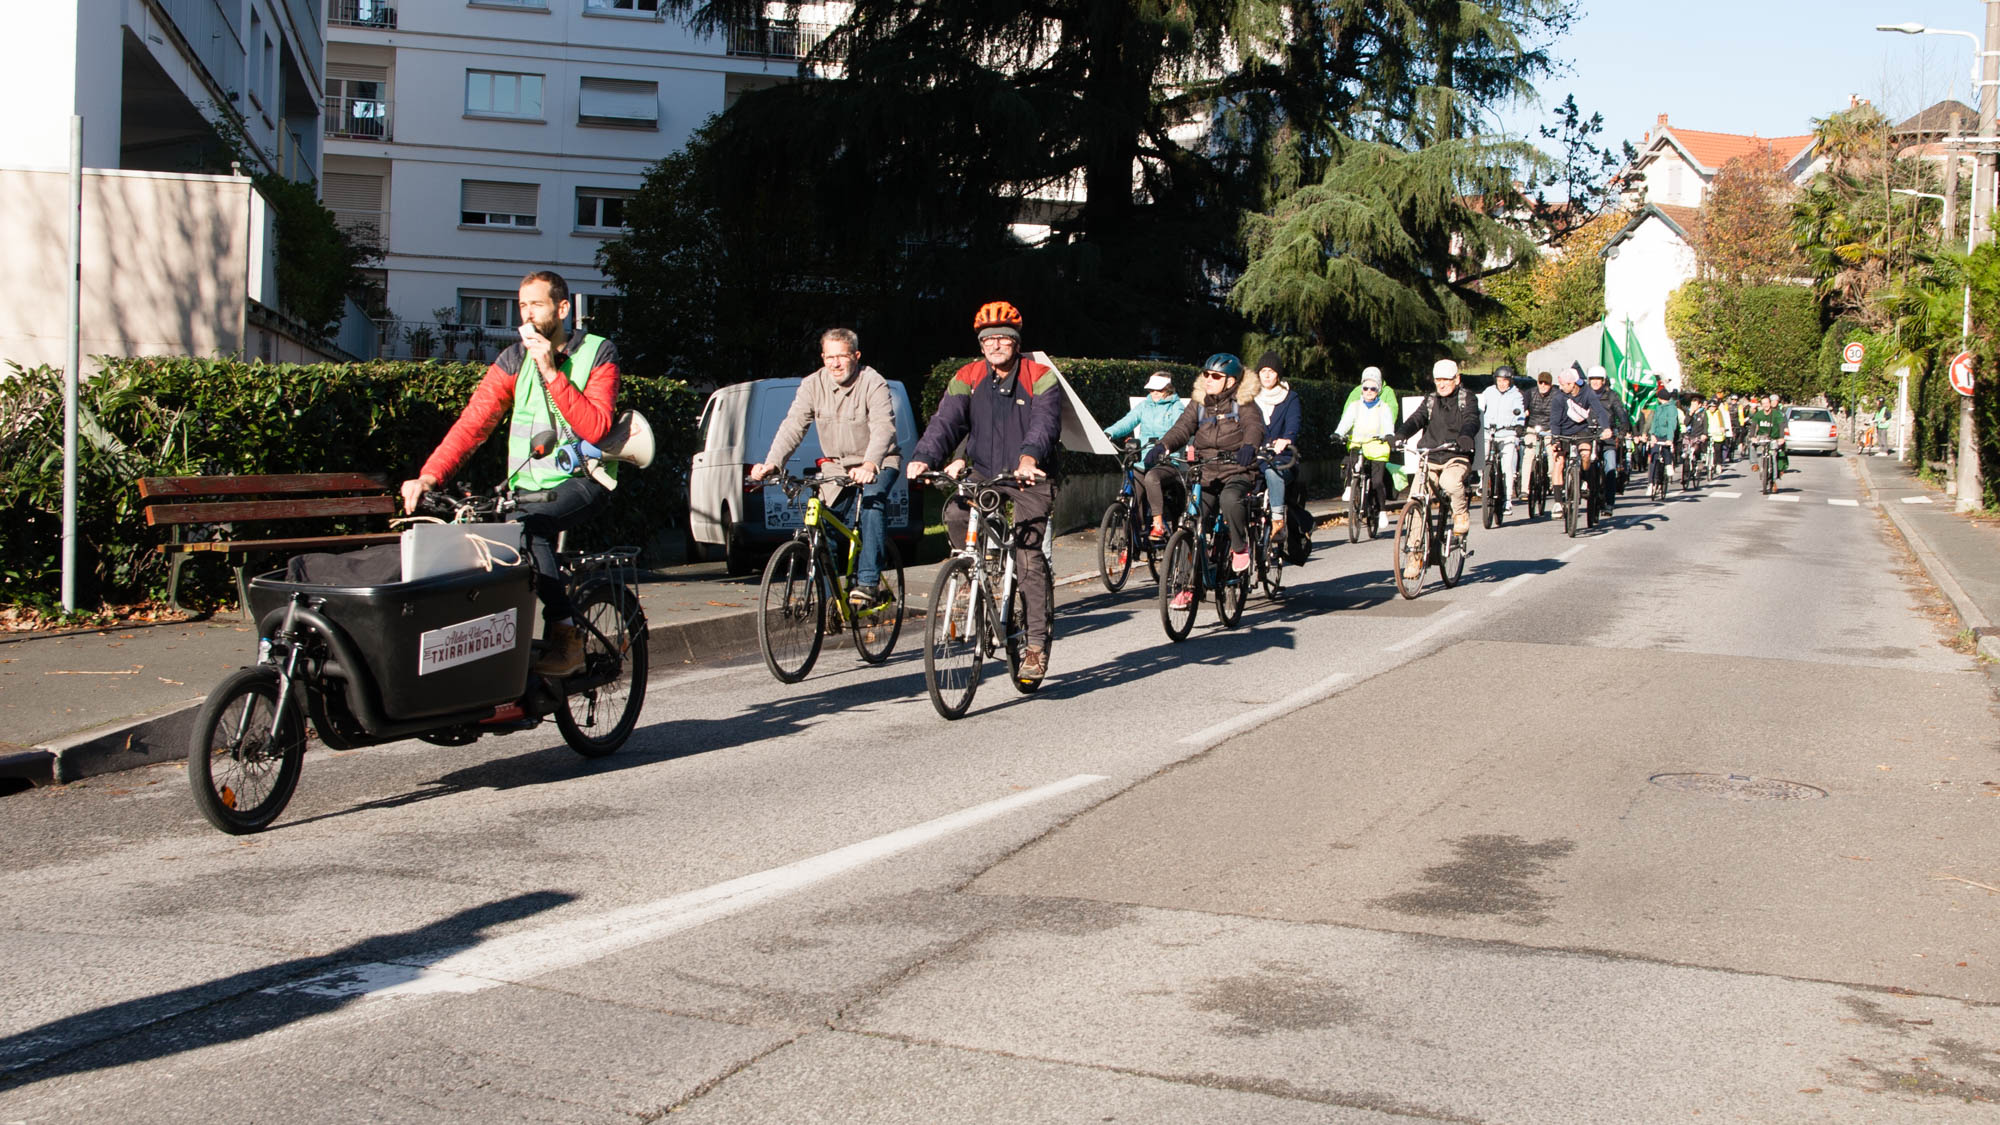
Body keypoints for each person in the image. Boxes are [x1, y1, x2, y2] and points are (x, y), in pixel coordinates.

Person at [401, 270, 618, 676]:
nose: (527, 314)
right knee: (484, 542)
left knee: (528, 530)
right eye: (522, 306)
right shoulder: (513, 360)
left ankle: (566, 635)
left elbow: (596, 428)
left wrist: (550, 370)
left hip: (584, 481)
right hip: (525, 488)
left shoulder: (597, 352)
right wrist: (429, 476)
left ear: (563, 309)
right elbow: (473, 424)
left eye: (537, 305)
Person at [906, 301, 1061, 682]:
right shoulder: (968, 375)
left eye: (1003, 339)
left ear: (1016, 342)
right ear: (980, 344)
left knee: (1028, 559)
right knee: (956, 513)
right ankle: (975, 571)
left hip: (1029, 476)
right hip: (985, 472)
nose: (995, 345)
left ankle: (1035, 647)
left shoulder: (1040, 376)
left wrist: (1029, 457)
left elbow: (1044, 424)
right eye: (988, 340)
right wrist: (924, 457)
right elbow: (946, 422)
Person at [749, 328, 902, 611]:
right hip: (836, 467)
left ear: (856, 356)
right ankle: (832, 600)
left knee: (872, 504)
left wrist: (870, 464)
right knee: (821, 523)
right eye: (829, 357)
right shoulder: (812, 384)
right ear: (822, 358)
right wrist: (773, 462)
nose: (835, 363)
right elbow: (793, 425)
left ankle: (868, 582)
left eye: (841, 356)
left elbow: (884, 427)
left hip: (878, 461)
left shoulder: (873, 382)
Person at [1148, 353, 1264, 605]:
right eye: (1206, 374)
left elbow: (1254, 426)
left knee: (1231, 500)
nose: (1208, 379)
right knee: (1190, 523)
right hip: (1206, 471)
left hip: (1236, 470)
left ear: (1230, 381)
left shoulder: (1244, 402)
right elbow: (1182, 428)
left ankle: (1239, 547)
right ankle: (1187, 586)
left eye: (1215, 376)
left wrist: (1249, 447)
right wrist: (1163, 446)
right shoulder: (1199, 402)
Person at [1393, 359, 1479, 575]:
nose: (1441, 384)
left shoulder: (1467, 398)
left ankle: (1460, 515)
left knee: (1449, 482)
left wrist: (1466, 435)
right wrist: (1401, 434)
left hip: (1455, 455)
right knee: (1414, 501)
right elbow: (1416, 419)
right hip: (1430, 456)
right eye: (1438, 380)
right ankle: (1415, 556)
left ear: (1457, 379)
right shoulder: (1430, 400)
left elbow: (1471, 419)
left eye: (1446, 380)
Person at [1103, 371, 1188, 540]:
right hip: (1142, 460)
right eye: (1151, 389)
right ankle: (1130, 542)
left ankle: (1158, 524)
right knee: (1133, 495)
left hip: (1166, 461)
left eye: (1159, 389)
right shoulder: (1145, 405)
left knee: (1151, 478)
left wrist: (1165, 448)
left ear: (1168, 389)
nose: (1154, 393)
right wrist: (1109, 433)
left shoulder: (1176, 407)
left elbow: (1179, 432)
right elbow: (1127, 421)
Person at [1335, 368, 1399, 533]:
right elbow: (1346, 421)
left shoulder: (1384, 407)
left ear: (1378, 390)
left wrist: (1389, 435)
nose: (1369, 391)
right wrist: (1338, 433)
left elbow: (1388, 424)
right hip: (1359, 443)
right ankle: (1350, 487)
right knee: (1352, 462)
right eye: (1365, 388)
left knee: (1377, 482)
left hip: (1377, 446)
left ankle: (1382, 511)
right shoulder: (1355, 406)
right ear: (1361, 389)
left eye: (1373, 388)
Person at [1545, 365, 1612, 509]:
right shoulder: (1559, 397)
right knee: (1559, 461)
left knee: (1586, 454)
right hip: (1563, 432)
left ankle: (1584, 478)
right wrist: (1555, 439)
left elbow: (1600, 411)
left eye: (1564, 385)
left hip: (1582, 431)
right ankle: (1558, 502)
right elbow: (1554, 421)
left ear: (1572, 384)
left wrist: (1606, 428)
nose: (1561, 387)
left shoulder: (1587, 393)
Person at [1251, 350, 1301, 538]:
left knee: (1274, 472)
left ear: (1278, 375)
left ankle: (1278, 520)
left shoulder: (1290, 398)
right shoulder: (1250, 398)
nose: (1266, 375)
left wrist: (1286, 439)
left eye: (1271, 371)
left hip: (1282, 456)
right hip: (1256, 455)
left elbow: (1294, 423)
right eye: (1263, 371)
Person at [1476, 365, 1527, 510]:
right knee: (1482, 456)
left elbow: (1520, 411)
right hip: (1489, 431)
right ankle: (1482, 481)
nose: (1502, 383)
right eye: (1499, 380)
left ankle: (1508, 500)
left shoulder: (1516, 394)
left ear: (1510, 380)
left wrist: (1519, 425)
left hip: (1507, 433)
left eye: (1505, 380)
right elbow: (1479, 408)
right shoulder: (1488, 391)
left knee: (1507, 466)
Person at [1585, 366, 1632, 491]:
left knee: (1610, 468)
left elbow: (1621, 414)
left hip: (1607, 437)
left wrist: (1622, 431)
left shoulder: (1612, 396)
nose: (1595, 382)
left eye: (1598, 379)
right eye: (1592, 379)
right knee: (1580, 462)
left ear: (1603, 380)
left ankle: (1609, 499)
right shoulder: (1584, 394)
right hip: (1587, 436)